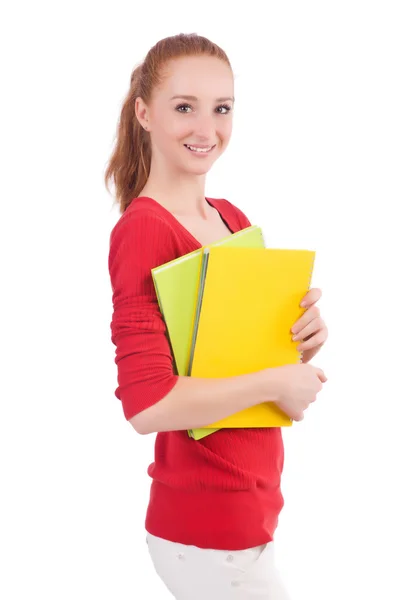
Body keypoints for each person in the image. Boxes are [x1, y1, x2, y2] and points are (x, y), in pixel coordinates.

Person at [105, 33, 328, 600]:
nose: (207, 130)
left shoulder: (231, 219)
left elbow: (237, 360)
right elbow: (147, 404)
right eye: (185, 107)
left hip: (250, 515)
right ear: (144, 113)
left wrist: (300, 343)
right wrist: (279, 381)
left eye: (221, 108)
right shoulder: (144, 230)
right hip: (206, 533)